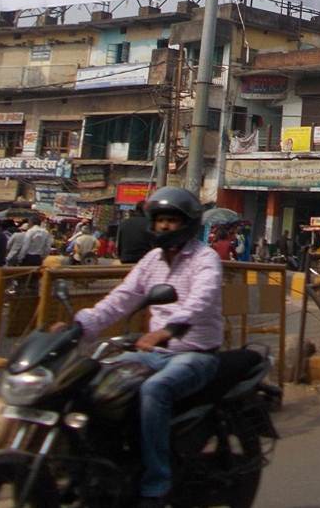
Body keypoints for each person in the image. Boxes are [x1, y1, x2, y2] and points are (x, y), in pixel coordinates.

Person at [64, 187, 222, 508]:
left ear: (188, 224)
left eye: (172, 221)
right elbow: (122, 298)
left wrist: (167, 330)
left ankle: (157, 483)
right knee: (93, 379)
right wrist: (80, 326)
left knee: (155, 391)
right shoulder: (151, 261)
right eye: (160, 220)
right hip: (153, 352)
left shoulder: (206, 259)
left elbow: (200, 302)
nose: (164, 226)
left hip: (195, 353)